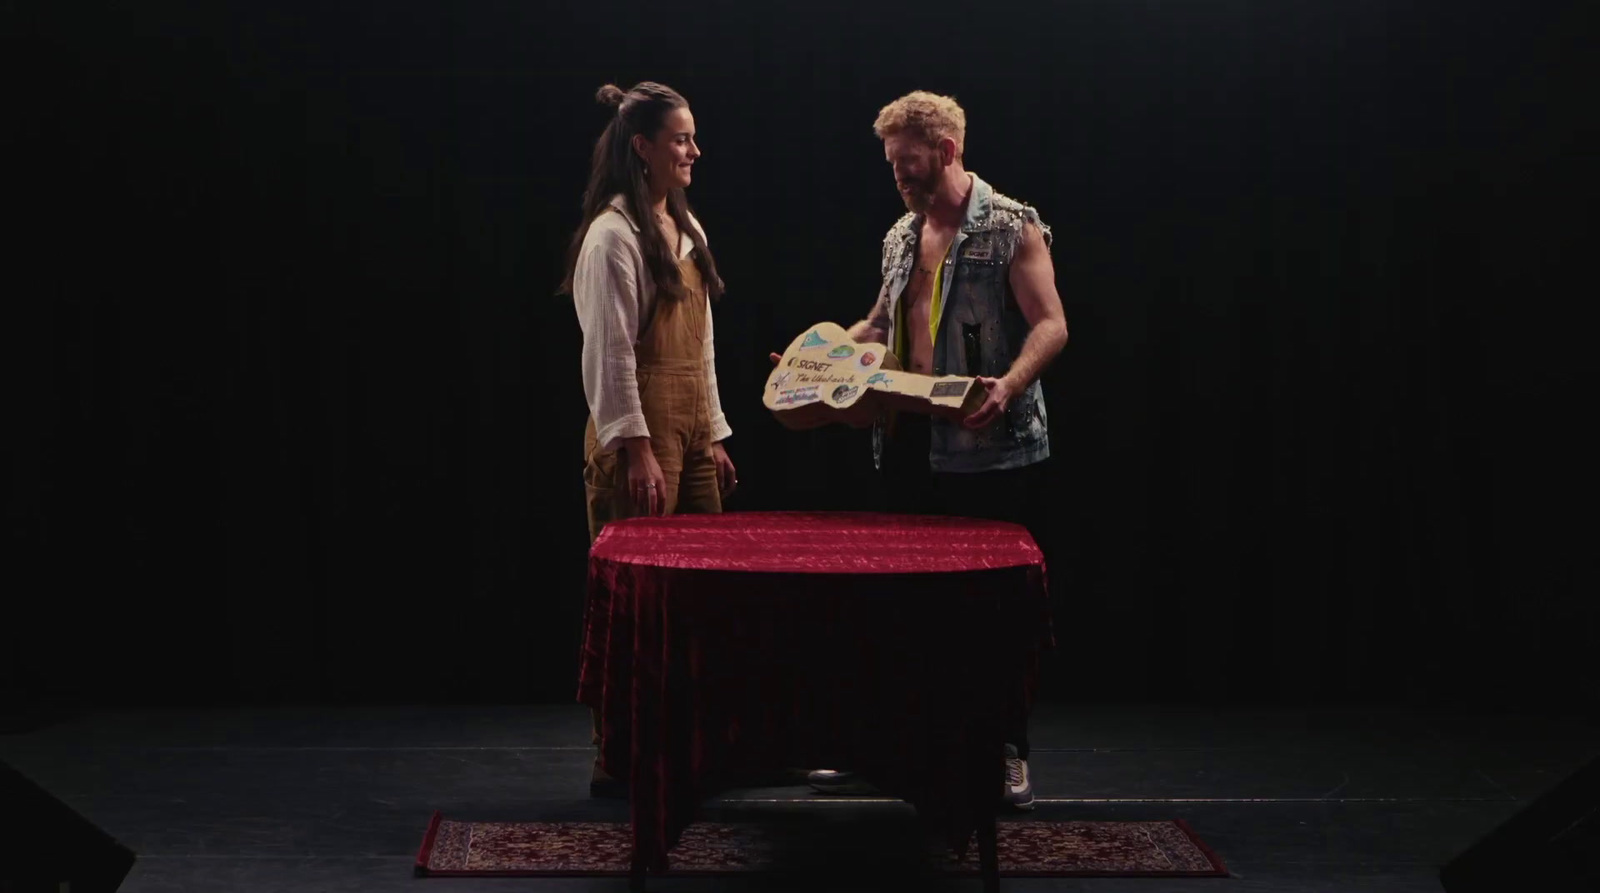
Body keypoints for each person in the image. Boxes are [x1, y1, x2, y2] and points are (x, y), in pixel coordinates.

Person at [802, 90, 1068, 810]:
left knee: (994, 615)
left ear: (947, 151)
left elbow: (1052, 325)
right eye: (893, 166)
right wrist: (816, 360)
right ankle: (886, 748)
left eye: (908, 164)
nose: (899, 178)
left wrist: (1007, 386)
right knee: (896, 607)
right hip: (910, 441)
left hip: (992, 451)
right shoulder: (898, 236)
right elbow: (879, 321)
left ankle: (1007, 750)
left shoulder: (1012, 226)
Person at [560, 80, 738, 794]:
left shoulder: (687, 229)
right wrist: (635, 446)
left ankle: (693, 741)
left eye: (692, 137)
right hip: (639, 435)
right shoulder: (612, 236)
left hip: (692, 429)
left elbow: (702, 348)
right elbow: (608, 353)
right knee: (636, 598)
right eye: (681, 139)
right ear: (644, 148)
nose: (694, 150)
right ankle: (619, 751)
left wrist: (715, 433)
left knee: (707, 594)